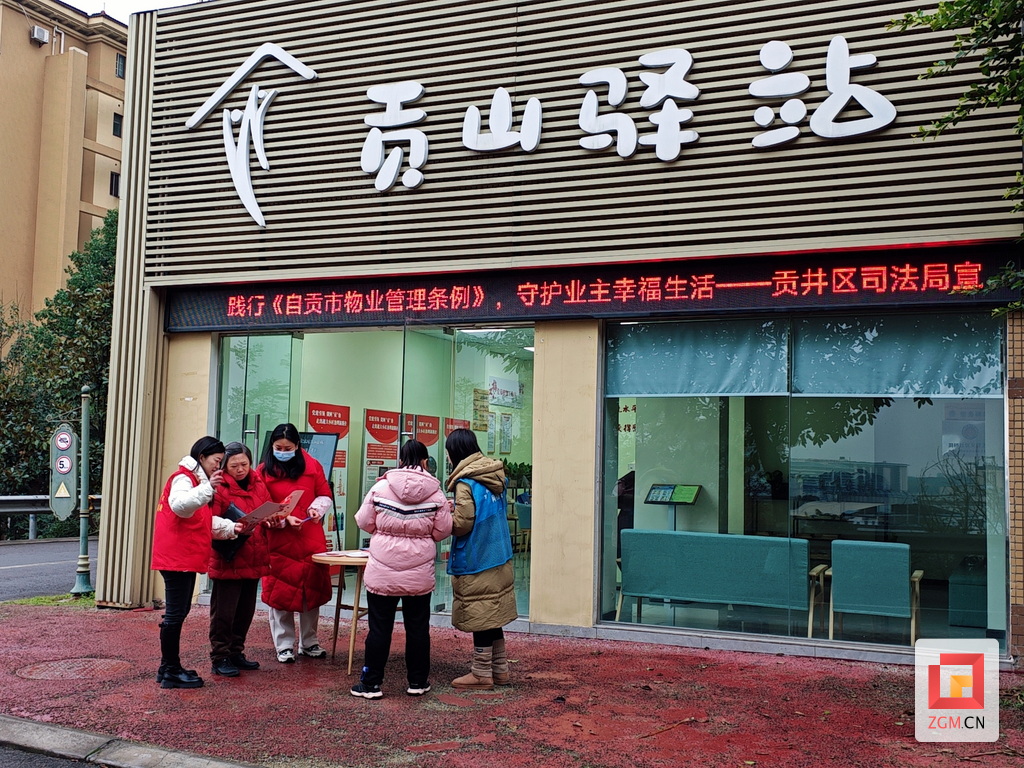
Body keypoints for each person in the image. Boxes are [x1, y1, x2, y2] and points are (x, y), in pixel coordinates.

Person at [350, 439, 452, 699]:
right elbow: (443, 531)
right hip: (418, 574)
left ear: (400, 461)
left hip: (382, 572)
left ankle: (371, 683)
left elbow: (364, 521)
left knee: (379, 628)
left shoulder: (380, 487)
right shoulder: (436, 494)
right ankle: (417, 682)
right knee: (417, 628)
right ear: (425, 461)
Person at [151, 436, 236, 689]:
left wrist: (232, 528)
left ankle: (167, 667)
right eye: (216, 461)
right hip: (177, 557)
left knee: (179, 612)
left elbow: (201, 521)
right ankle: (171, 669)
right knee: (176, 614)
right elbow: (179, 506)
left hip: (181, 557)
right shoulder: (184, 478)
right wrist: (208, 488)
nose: (217, 466)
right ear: (202, 457)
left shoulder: (195, 482)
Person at [444, 428, 516, 690]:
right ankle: (500, 669)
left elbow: (463, 524)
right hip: (499, 553)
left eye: (448, 452)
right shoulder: (494, 476)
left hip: (477, 557)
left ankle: (481, 673)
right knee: (492, 613)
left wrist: (446, 518)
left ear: (456, 452)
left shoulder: (466, 482)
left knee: (481, 613)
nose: (448, 458)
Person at [256, 423, 334, 663]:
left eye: (288, 448)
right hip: (279, 538)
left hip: (309, 536)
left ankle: (309, 642)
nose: (282, 451)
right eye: (278, 448)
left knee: (312, 591)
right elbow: (260, 505)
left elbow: (325, 494)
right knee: (280, 593)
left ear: (297, 446)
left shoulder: (313, 466)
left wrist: (315, 509)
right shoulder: (263, 471)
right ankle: (284, 645)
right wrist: (283, 518)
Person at [207, 442, 276, 678]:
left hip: (254, 554)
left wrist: (271, 519)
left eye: (244, 464)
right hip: (229, 555)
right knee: (224, 612)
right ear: (225, 466)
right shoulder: (218, 486)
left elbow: (265, 509)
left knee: (245, 610)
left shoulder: (258, 483)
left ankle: (236, 651)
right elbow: (211, 520)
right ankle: (220, 656)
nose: (240, 470)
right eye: (234, 465)